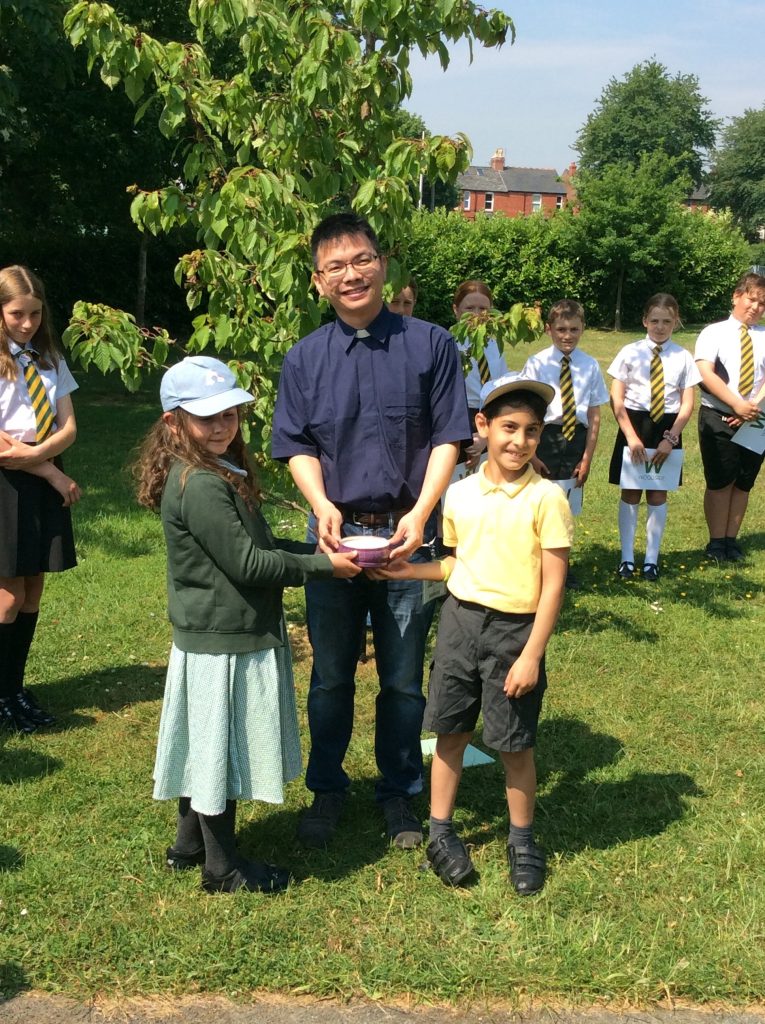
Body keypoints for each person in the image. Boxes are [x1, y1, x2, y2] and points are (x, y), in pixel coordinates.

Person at [272, 212, 471, 850]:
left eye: (362, 260)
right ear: (318, 281)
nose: (351, 275)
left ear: (383, 264)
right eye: (336, 267)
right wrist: (320, 503)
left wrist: (422, 512)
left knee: (403, 680)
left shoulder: (431, 344)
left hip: (407, 539)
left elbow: (448, 434)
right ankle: (327, 787)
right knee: (330, 676)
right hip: (333, 542)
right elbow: (297, 443)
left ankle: (400, 793)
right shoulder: (304, 358)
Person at [134, 356, 360, 894]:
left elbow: (257, 547)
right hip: (223, 638)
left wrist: (319, 550)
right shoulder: (202, 485)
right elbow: (250, 566)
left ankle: (189, 847)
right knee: (220, 753)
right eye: (205, 417)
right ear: (174, 422)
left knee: (205, 745)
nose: (221, 426)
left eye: (229, 414)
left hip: (217, 632)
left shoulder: (214, 472)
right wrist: (326, 568)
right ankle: (222, 868)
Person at [369, 373, 573, 893]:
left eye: (530, 431)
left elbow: (552, 587)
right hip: (461, 624)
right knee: (450, 733)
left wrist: (531, 655)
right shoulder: (457, 495)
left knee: (514, 744)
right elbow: (455, 564)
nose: (518, 441)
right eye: (508, 427)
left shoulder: (547, 499)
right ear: (482, 426)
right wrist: (406, 571)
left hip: (515, 633)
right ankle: (441, 832)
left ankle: (522, 839)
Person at [0, 265, 81, 734]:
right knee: (6, 597)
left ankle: (14, 687)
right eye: (16, 314)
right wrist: (48, 469)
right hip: (7, 482)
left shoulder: (48, 356)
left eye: (34, 313)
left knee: (31, 591)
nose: (27, 323)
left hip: (37, 473)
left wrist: (43, 457)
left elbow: (68, 426)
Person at [607, 293, 701, 581]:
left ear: (676, 322)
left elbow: (687, 403)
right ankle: (626, 559)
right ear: (645, 321)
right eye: (655, 321)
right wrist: (631, 437)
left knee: (658, 493)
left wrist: (670, 438)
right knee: (631, 491)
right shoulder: (629, 351)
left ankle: (651, 560)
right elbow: (616, 397)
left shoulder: (683, 357)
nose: (660, 327)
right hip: (634, 425)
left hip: (667, 429)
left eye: (667, 321)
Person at [522, 299, 609, 588]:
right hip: (544, 437)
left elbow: (595, 414)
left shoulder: (590, 365)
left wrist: (587, 457)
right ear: (549, 329)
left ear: (583, 328)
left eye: (573, 329)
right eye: (560, 329)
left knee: (567, 506)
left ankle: (562, 567)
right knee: (538, 501)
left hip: (576, 438)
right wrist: (532, 455)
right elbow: (528, 411)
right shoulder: (537, 363)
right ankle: (534, 566)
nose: (567, 335)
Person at [694, 272, 765, 562]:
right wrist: (736, 404)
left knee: (743, 482)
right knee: (721, 481)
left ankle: (731, 541)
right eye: (751, 299)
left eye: (762, 303)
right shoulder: (714, 332)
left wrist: (752, 407)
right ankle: (716, 542)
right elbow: (704, 372)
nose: (756, 307)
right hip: (718, 415)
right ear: (736, 297)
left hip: (757, 420)